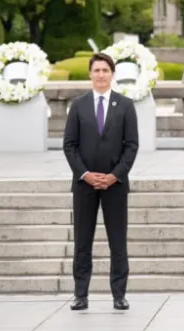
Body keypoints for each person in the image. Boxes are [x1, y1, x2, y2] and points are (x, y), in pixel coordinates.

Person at [63, 53, 139, 311]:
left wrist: (114, 175)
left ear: (112, 74)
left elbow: (132, 146)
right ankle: (80, 294)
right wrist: (85, 174)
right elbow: (69, 145)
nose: (100, 75)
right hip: (84, 185)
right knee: (82, 241)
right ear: (90, 74)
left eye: (105, 70)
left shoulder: (125, 105)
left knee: (117, 241)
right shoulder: (79, 105)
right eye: (96, 70)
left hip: (115, 185)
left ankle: (119, 294)